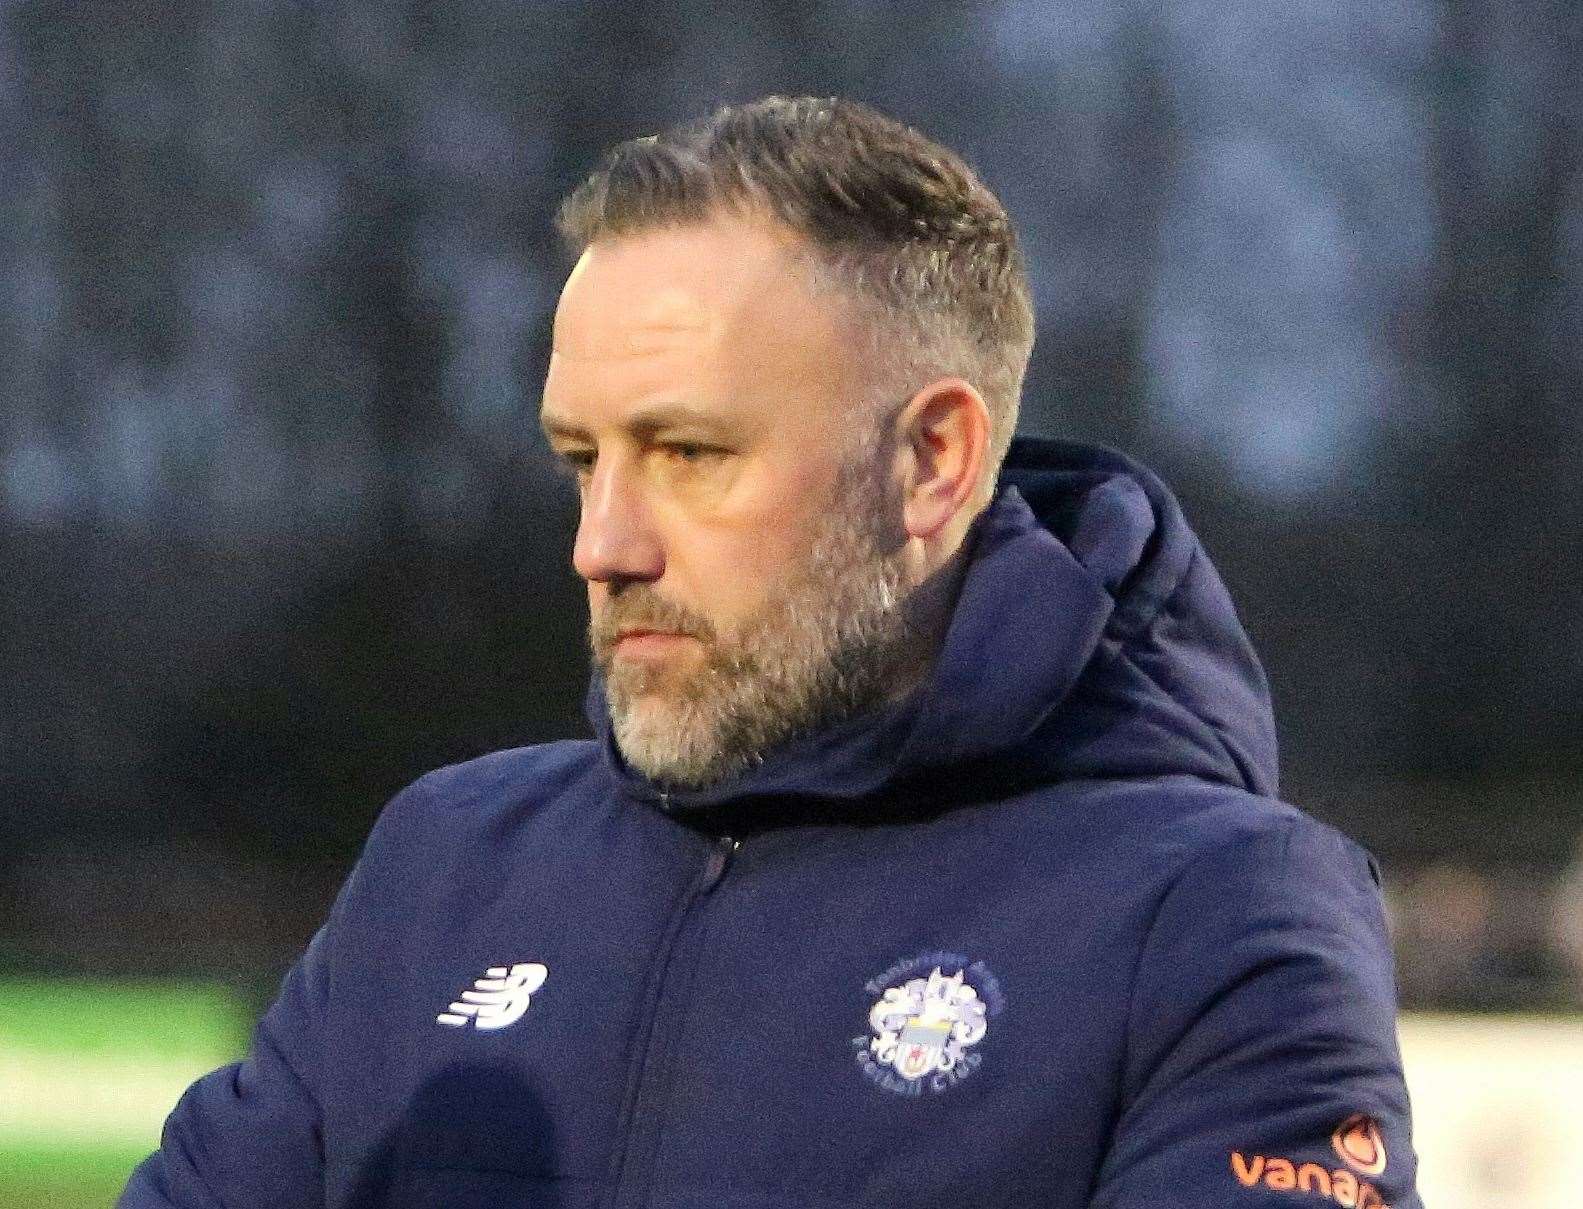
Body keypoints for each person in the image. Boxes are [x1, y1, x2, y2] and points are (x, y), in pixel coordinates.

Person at [121, 96, 1422, 1209]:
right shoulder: (447, 860)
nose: (601, 542)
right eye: (582, 458)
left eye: (689, 453)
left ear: (931, 462)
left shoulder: (1217, 913)